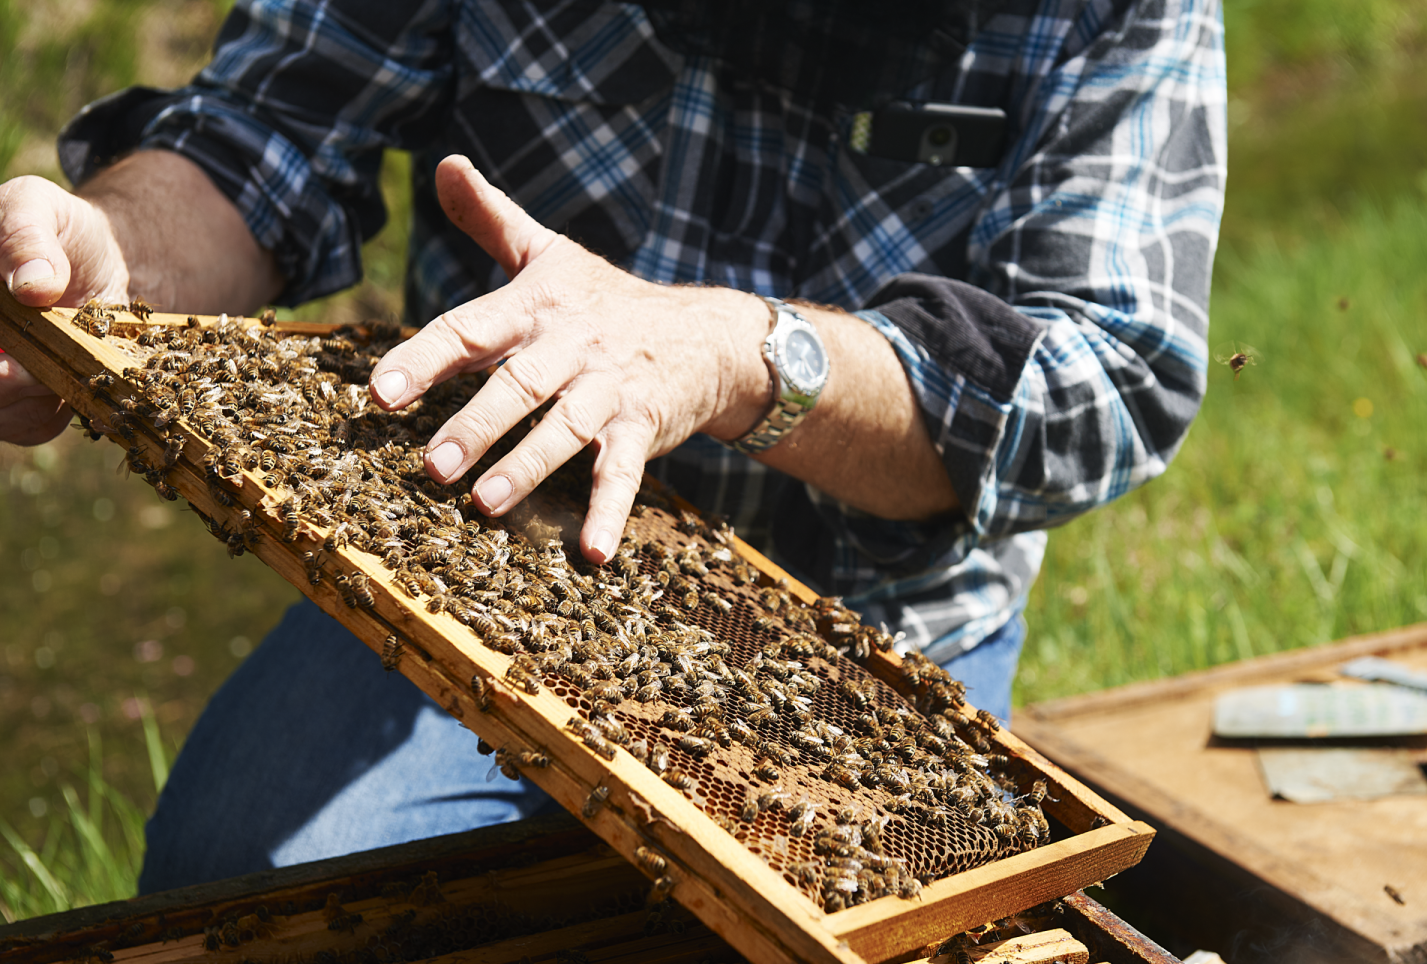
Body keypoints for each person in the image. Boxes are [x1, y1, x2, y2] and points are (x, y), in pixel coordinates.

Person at [0, 0, 1224, 891]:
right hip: (470, 551)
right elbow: (269, 130)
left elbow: (1106, 380)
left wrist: (742, 356)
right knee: (251, 881)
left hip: (866, 636)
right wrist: (117, 255)